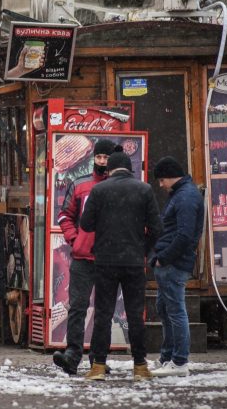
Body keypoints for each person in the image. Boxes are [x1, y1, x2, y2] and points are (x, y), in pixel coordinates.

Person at [80, 145, 162, 382]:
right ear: (129, 168)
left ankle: (97, 366)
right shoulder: (144, 190)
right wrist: (142, 248)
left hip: (105, 261)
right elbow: (156, 228)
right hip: (134, 262)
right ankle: (140, 366)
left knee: (103, 314)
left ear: (110, 169)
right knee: (135, 315)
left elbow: (86, 224)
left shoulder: (99, 190)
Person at [51, 139, 115, 375]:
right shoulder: (80, 184)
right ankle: (72, 355)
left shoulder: (118, 186)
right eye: (99, 157)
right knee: (77, 307)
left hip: (109, 258)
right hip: (82, 256)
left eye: (106, 158)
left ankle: (98, 358)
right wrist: (74, 239)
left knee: (104, 311)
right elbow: (65, 215)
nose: (102, 162)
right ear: (93, 158)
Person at [149, 156, 204, 378]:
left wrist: (164, 257)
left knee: (175, 312)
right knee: (166, 309)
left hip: (173, 264)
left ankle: (179, 361)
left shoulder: (186, 197)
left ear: (171, 176)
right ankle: (168, 358)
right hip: (171, 262)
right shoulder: (183, 194)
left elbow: (184, 235)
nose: (160, 185)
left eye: (161, 180)